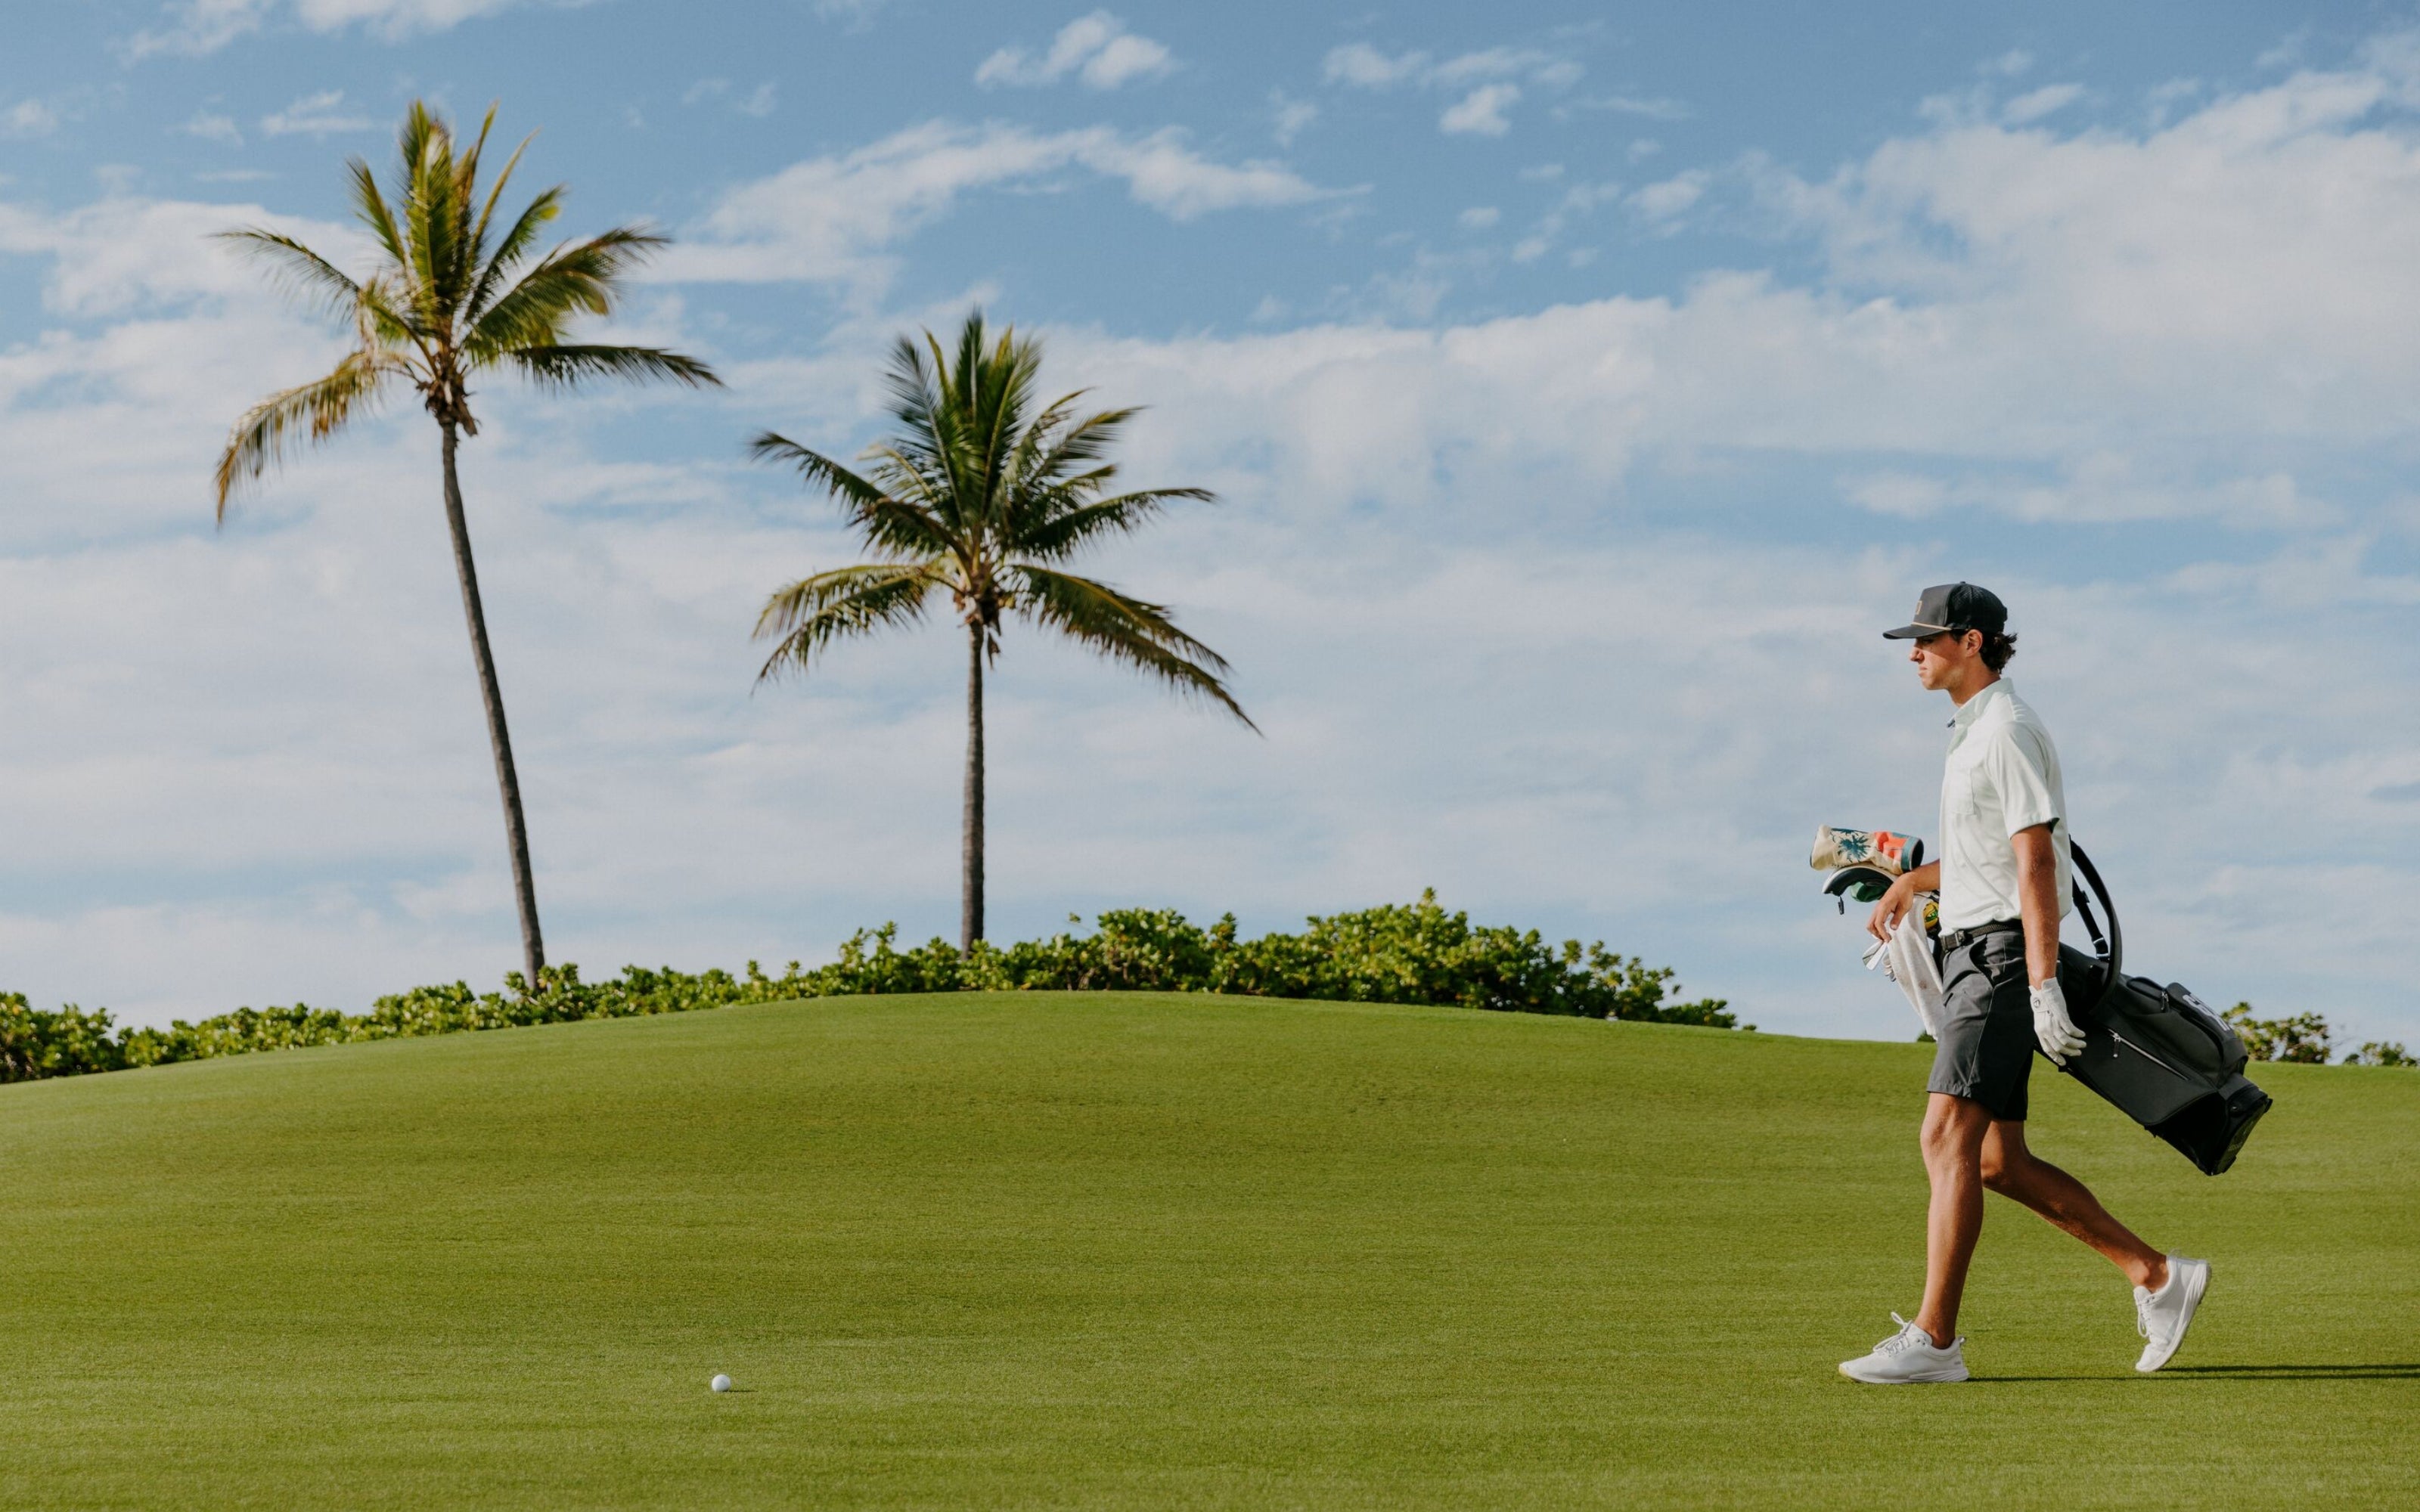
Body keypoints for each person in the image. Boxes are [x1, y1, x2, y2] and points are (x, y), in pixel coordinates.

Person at [1835, 582, 2207, 1384]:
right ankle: (2157, 1275)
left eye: (1927, 639)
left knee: (1944, 1137)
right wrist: (1912, 881)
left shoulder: (2004, 728)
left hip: (1999, 961)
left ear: (1971, 641)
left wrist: (2041, 984)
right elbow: (1989, 856)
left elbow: (2036, 858)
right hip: (1975, 953)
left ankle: (1935, 1341)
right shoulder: (1971, 731)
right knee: (1995, 1161)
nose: (1913, 653)